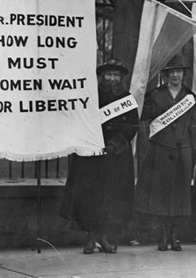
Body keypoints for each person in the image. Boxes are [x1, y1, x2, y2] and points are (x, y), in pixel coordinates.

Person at [60, 58, 139, 254]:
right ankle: (90, 237)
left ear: (121, 78)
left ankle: (104, 237)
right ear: (101, 76)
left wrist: (115, 143)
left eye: (116, 75)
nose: (112, 79)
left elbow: (132, 125)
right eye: (108, 74)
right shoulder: (90, 97)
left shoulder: (127, 99)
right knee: (90, 197)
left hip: (116, 155)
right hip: (92, 155)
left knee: (112, 197)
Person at [134, 55, 196, 252]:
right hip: (161, 149)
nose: (175, 75)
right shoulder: (155, 95)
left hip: (183, 150)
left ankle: (175, 235)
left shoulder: (190, 98)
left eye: (178, 71)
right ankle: (163, 235)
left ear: (183, 74)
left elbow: (193, 125)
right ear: (165, 75)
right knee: (162, 195)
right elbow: (143, 115)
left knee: (181, 195)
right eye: (171, 71)